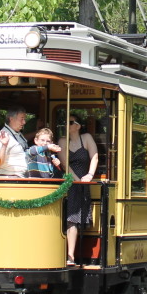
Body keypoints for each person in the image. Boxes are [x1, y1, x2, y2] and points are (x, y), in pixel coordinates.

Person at [63, 114, 100, 266]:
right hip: (69, 183)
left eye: (70, 122)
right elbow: (65, 164)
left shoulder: (86, 138)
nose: (66, 124)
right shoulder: (62, 141)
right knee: (68, 219)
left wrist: (90, 175)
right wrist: (76, 181)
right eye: (64, 122)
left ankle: (71, 255)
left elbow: (95, 157)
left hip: (81, 184)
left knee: (74, 220)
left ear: (78, 126)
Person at [0, 105, 30, 177]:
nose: (24, 122)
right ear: (11, 119)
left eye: (24, 119)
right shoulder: (2, 136)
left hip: (21, 177)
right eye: (21, 119)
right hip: (9, 178)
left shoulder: (18, 134)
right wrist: (4, 145)